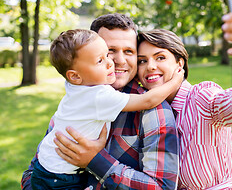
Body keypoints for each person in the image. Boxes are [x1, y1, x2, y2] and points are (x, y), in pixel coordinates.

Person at [135, 0, 232, 189]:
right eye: (142, 61)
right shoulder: (146, 110)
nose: (150, 66)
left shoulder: (200, 97)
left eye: (160, 57)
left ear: (179, 64)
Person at [21, 14, 180, 190]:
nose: (118, 61)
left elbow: (162, 187)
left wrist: (95, 160)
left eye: (129, 51)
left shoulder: (153, 112)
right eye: (110, 51)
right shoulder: (78, 101)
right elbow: (33, 171)